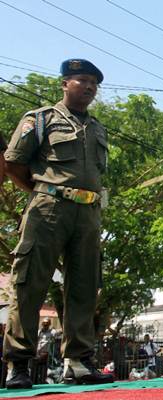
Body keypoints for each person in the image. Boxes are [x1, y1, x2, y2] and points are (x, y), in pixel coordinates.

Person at [2, 58, 113, 388]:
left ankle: (77, 362)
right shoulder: (40, 120)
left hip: (89, 213)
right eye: (81, 80)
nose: (89, 87)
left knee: (84, 287)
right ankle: (18, 364)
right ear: (65, 83)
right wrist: (45, 192)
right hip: (48, 209)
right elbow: (13, 165)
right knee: (30, 282)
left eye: (94, 82)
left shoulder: (97, 128)